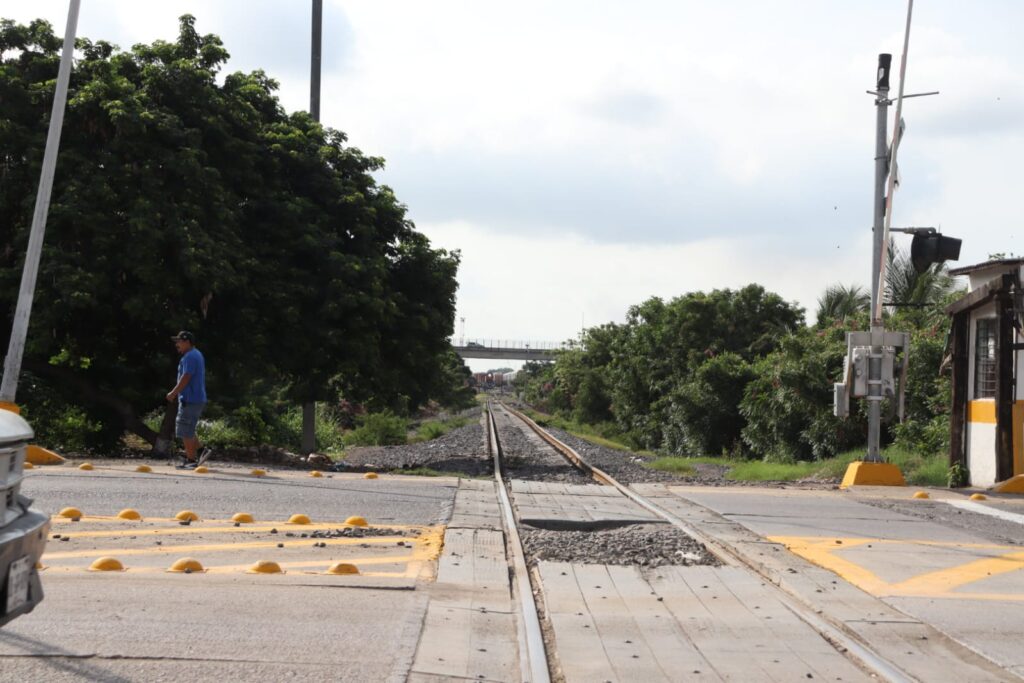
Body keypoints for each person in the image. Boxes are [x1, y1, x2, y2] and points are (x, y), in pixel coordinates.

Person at [166, 331, 211, 469]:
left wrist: (174, 392)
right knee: (188, 427)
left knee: (185, 429)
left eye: (179, 341)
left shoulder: (190, 357)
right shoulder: (195, 354)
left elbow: (186, 377)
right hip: (195, 398)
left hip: (190, 399)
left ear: (186, 341)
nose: (177, 344)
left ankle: (191, 460)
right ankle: (202, 451)